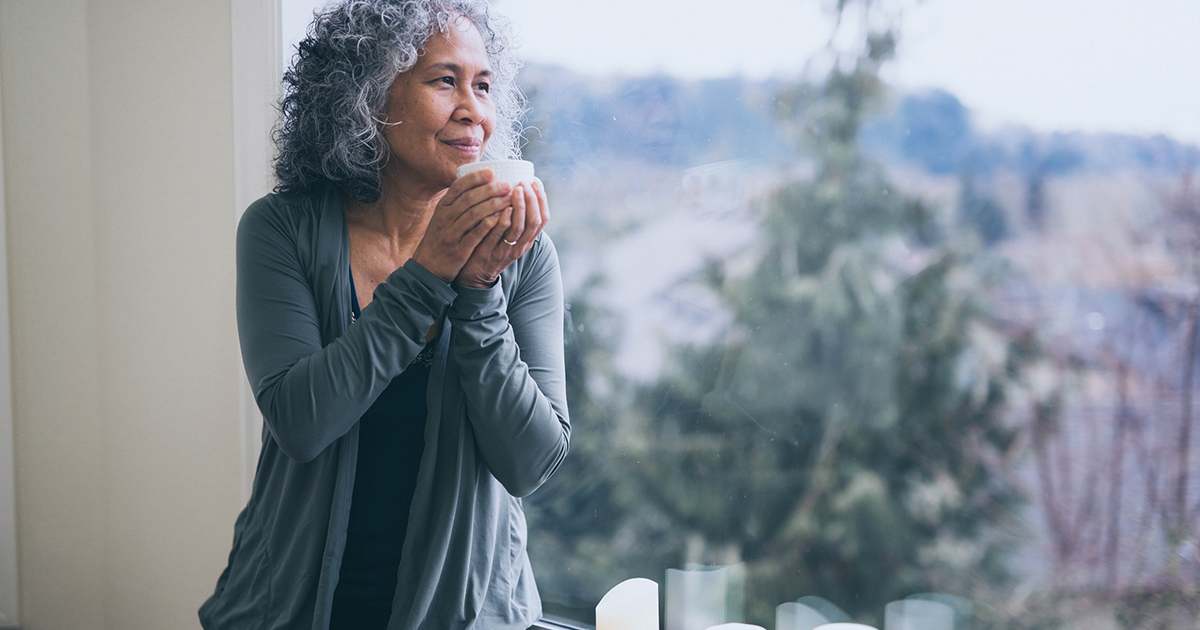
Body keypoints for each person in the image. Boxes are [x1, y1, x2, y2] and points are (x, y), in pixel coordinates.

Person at [199, 1, 570, 629]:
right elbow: (301, 421)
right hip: (286, 612)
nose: (472, 109)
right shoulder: (281, 230)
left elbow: (531, 461)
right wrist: (426, 276)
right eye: (443, 80)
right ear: (368, 99)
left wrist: (479, 288)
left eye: (482, 85)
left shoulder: (522, 256)